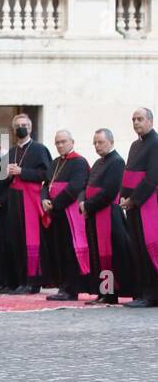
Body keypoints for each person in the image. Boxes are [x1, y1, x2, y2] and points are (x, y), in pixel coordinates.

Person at [80, 129, 133, 305]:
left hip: (109, 216)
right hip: (95, 214)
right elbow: (86, 186)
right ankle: (104, 291)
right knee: (97, 255)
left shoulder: (117, 162)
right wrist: (83, 202)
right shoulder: (97, 163)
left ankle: (111, 293)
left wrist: (87, 205)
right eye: (94, 143)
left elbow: (109, 192)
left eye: (100, 142)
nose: (96, 146)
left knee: (109, 256)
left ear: (111, 142)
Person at [3, 113, 54, 294]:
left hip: (30, 199)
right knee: (16, 239)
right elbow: (0, 180)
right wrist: (7, 174)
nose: (21, 128)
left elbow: (47, 175)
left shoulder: (39, 149)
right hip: (14, 199)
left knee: (31, 240)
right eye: (18, 125)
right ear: (13, 129)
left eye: (24, 125)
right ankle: (21, 280)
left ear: (30, 128)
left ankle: (33, 281)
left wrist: (22, 171)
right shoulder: (10, 152)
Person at [40, 130, 89, 302]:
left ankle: (71, 289)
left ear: (72, 142)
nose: (60, 145)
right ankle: (63, 286)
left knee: (69, 251)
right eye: (57, 142)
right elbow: (46, 184)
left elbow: (75, 187)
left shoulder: (79, 162)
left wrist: (55, 204)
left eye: (63, 141)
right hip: (55, 213)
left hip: (69, 213)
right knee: (58, 251)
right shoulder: (54, 163)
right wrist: (44, 198)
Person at [120, 108, 158, 308]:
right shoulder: (135, 145)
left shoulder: (155, 143)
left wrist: (133, 199)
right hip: (132, 205)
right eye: (133, 119)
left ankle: (152, 294)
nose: (136, 122)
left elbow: (152, 177)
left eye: (140, 119)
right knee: (137, 248)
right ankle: (143, 292)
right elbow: (128, 173)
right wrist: (123, 196)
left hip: (148, 204)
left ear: (150, 121)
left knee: (148, 248)